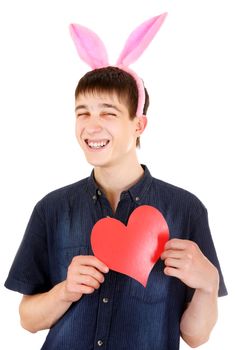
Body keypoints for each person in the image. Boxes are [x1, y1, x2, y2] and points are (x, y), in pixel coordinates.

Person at [5, 14, 227, 350]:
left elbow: (195, 336)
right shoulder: (51, 209)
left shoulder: (185, 210)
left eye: (107, 112)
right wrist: (64, 290)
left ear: (139, 125)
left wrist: (209, 285)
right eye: (83, 112)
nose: (91, 126)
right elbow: (27, 318)